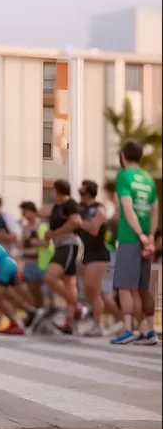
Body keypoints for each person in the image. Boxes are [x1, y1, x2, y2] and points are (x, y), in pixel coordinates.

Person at [110, 139, 159, 346]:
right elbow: (155, 210)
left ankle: (128, 329)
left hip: (130, 237)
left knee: (124, 286)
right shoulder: (149, 179)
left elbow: (126, 208)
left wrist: (138, 234)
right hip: (147, 237)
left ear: (122, 156)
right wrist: (150, 236)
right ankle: (148, 332)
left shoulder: (123, 177)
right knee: (141, 287)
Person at [43, 179, 84, 335]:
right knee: (69, 284)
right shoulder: (56, 208)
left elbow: (76, 221)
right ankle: (68, 323)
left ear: (56, 190)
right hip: (60, 245)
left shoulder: (70, 204)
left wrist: (56, 233)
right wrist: (49, 235)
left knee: (50, 277)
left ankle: (78, 306)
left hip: (69, 245)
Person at [78, 180, 115, 337]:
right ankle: (101, 322)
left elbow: (94, 229)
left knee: (93, 290)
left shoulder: (99, 208)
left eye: (82, 190)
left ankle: (98, 324)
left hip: (99, 254)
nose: (80, 192)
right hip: (87, 253)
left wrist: (78, 223)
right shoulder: (81, 210)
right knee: (90, 291)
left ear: (88, 192)